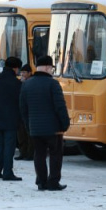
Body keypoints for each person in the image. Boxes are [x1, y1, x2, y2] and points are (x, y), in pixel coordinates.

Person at [19, 54, 70, 191]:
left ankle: (41, 182)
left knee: (39, 154)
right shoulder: (53, 84)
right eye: (51, 68)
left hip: (35, 128)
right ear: (48, 67)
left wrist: (28, 126)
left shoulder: (27, 84)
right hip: (54, 128)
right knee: (55, 154)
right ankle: (53, 182)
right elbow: (60, 106)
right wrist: (65, 123)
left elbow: (23, 109)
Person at [0, 56, 23, 181]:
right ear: (15, 68)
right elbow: (21, 101)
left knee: (0, 144)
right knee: (9, 146)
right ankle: (8, 172)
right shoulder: (17, 83)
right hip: (11, 117)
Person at [15, 64, 34, 161]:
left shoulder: (32, 82)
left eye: (24, 72)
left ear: (30, 73)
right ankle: (23, 152)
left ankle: (30, 154)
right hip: (20, 112)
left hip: (30, 112)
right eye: (21, 72)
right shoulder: (20, 82)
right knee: (21, 134)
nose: (22, 74)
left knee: (29, 134)